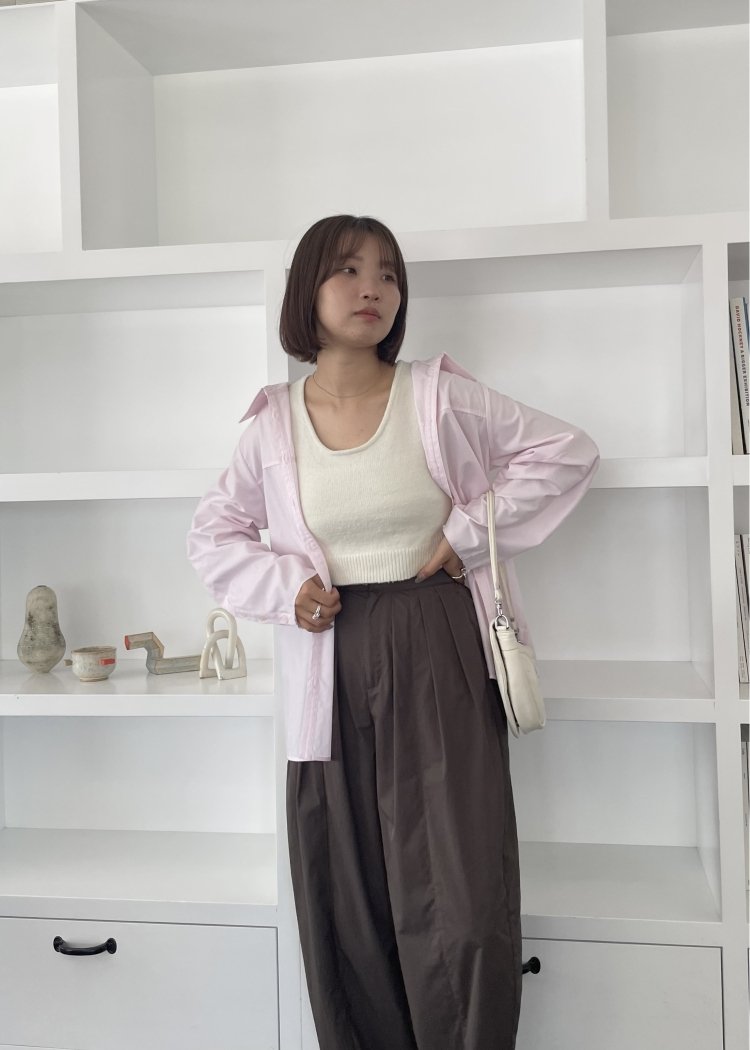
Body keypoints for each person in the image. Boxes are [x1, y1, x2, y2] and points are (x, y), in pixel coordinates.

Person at [187, 214, 600, 1050]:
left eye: (387, 274)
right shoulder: (271, 423)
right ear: (307, 290)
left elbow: (567, 451)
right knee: (348, 883)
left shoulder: (438, 395)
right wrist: (287, 588)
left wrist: (468, 532)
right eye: (347, 270)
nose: (371, 288)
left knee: (461, 885)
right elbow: (214, 536)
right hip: (329, 651)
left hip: (435, 637)